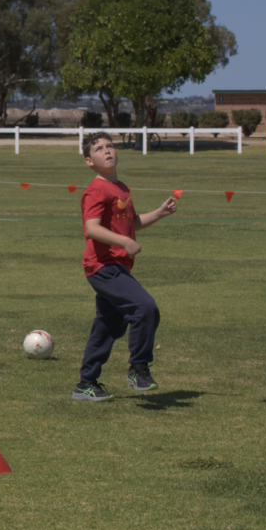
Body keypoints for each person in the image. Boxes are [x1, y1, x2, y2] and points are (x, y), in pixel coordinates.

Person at [73, 132, 177, 402]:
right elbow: (92, 228)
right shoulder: (96, 189)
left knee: (108, 326)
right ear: (89, 161)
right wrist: (124, 242)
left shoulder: (121, 187)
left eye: (109, 146)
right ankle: (138, 369)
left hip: (118, 267)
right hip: (102, 267)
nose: (106, 151)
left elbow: (133, 222)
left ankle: (86, 384)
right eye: (98, 149)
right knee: (145, 308)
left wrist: (159, 212)